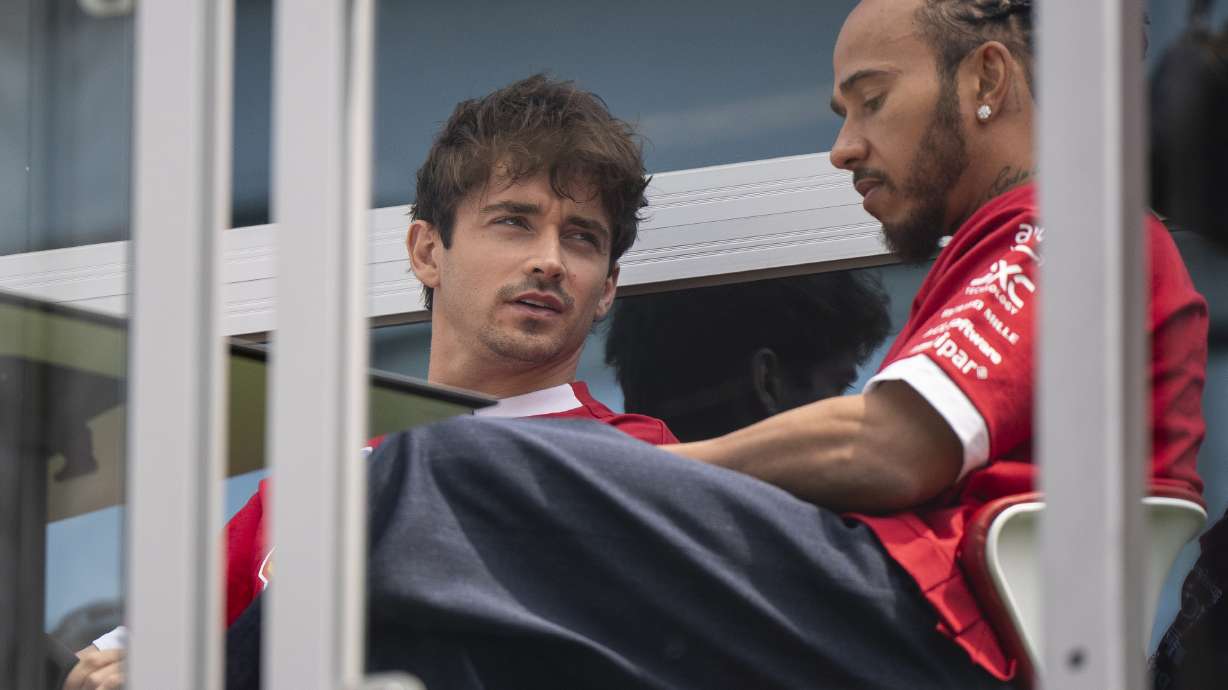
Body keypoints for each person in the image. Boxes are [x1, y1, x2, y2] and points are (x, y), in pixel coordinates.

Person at [226, 2, 1208, 688]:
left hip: (944, 636)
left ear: (985, 79)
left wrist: (597, 480)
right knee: (451, 637)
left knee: (444, 475)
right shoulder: (1032, 242)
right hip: (931, 629)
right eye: (511, 224)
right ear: (425, 251)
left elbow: (890, 446)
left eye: (870, 99)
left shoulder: (1070, 224)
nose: (846, 146)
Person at [63, 74, 677, 690]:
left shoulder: (641, 459)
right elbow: (109, 666)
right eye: (515, 222)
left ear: (606, 289)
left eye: (581, 237)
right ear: (428, 253)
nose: (550, 259)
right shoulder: (312, 486)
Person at [604, 272, 891, 442]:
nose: (855, 417)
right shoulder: (832, 537)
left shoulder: (598, 517)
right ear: (767, 382)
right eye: (839, 387)